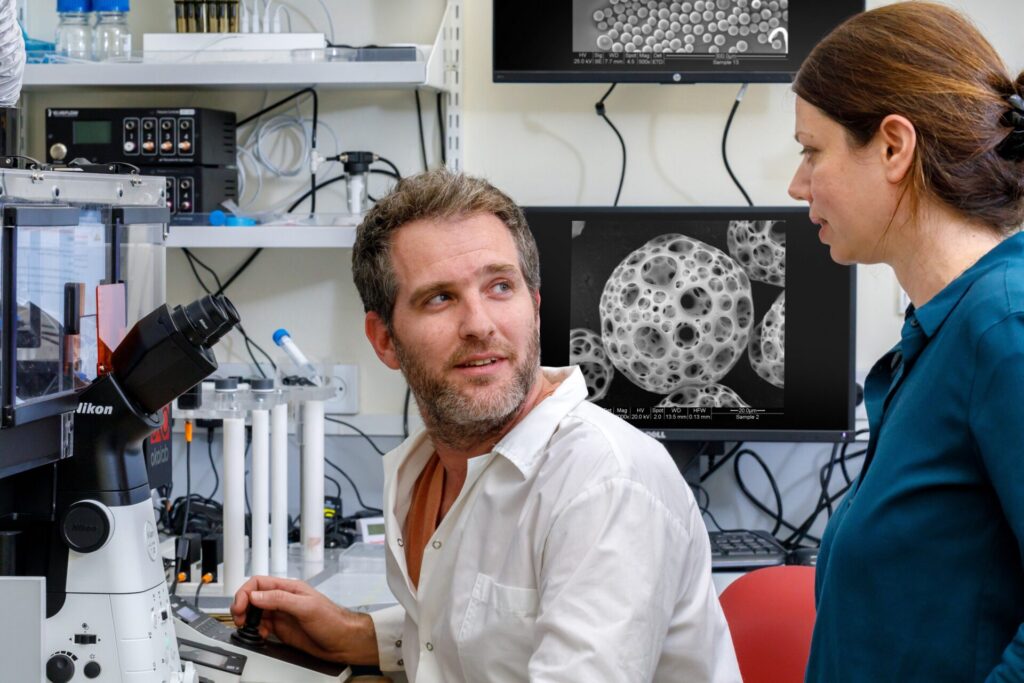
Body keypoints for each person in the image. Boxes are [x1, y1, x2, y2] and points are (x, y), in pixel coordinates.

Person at [230, 169, 741, 682]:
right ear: (384, 339)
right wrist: (355, 635)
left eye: (500, 287)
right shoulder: (425, 468)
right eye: (439, 298)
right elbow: (483, 641)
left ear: (535, 309)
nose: (479, 324)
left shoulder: (605, 484)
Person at [787, 3, 1024, 681]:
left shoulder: (1004, 326)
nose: (797, 183)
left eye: (812, 150)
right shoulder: (941, 333)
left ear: (894, 147)